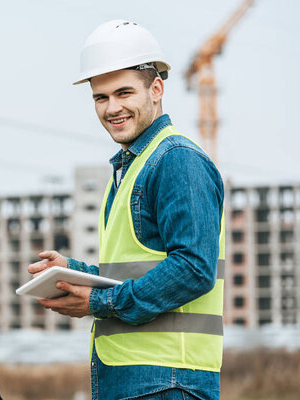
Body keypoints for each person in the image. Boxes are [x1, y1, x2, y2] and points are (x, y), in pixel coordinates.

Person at [28, 20, 225, 399]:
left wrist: (98, 301)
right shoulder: (132, 166)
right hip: (133, 376)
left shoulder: (176, 160)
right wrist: (75, 273)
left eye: (123, 93)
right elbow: (136, 268)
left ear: (156, 89)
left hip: (169, 380)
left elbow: (194, 268)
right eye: (100, 98)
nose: (111, 108)